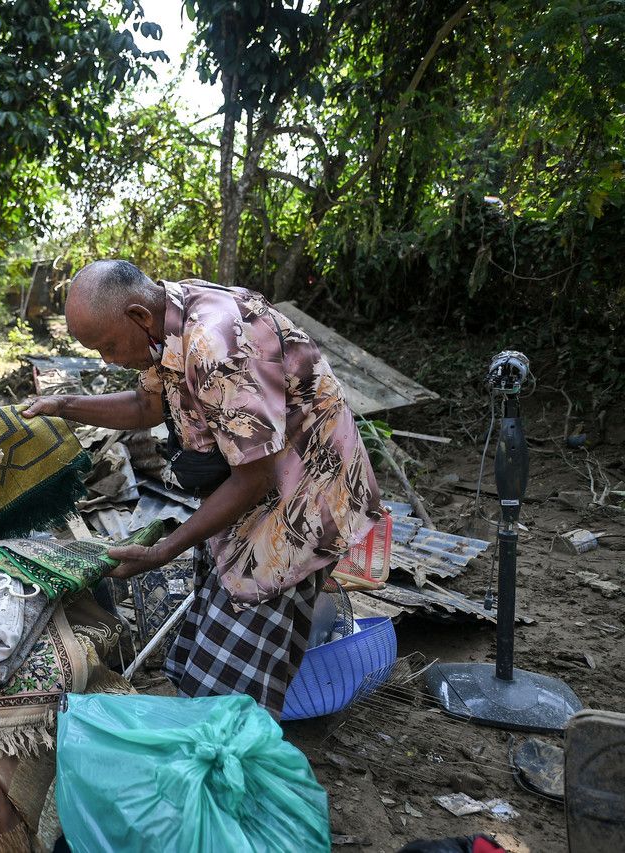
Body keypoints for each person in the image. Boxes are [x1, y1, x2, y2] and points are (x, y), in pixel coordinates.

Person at [23, 260, 382, 717]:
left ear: (138, 316)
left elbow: (254, 477)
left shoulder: (216, 343)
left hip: (301, 502)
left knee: (231, 681)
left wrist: (164, 550)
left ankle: (233, 748)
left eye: (108, 346)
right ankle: (220, 731)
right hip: (255, 490)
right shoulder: (168, 318)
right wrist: (64, 405)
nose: (108, 360)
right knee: (211, 646)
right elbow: (147, 406)